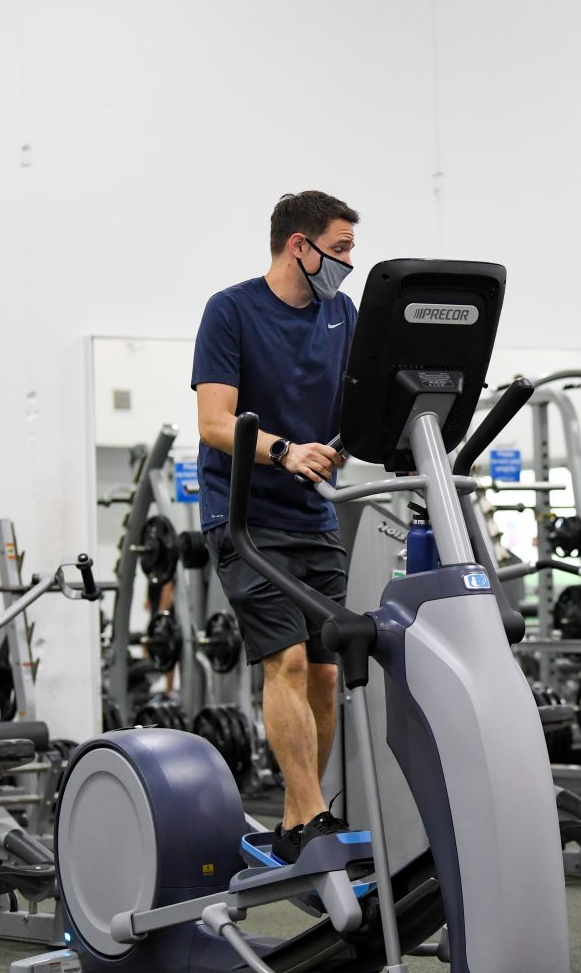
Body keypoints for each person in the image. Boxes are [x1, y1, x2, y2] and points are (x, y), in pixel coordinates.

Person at [191, 190, 359, 864]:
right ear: (300, 245)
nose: (348, 263)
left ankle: (295, 820)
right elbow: (213, 422)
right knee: (285, 659)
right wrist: (285, 451)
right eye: (340, 249)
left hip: (313, 514)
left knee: (324, 675)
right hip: (244, 516)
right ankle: (313, 814)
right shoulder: (231, 311)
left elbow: (357, 409)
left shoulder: (341, 314)